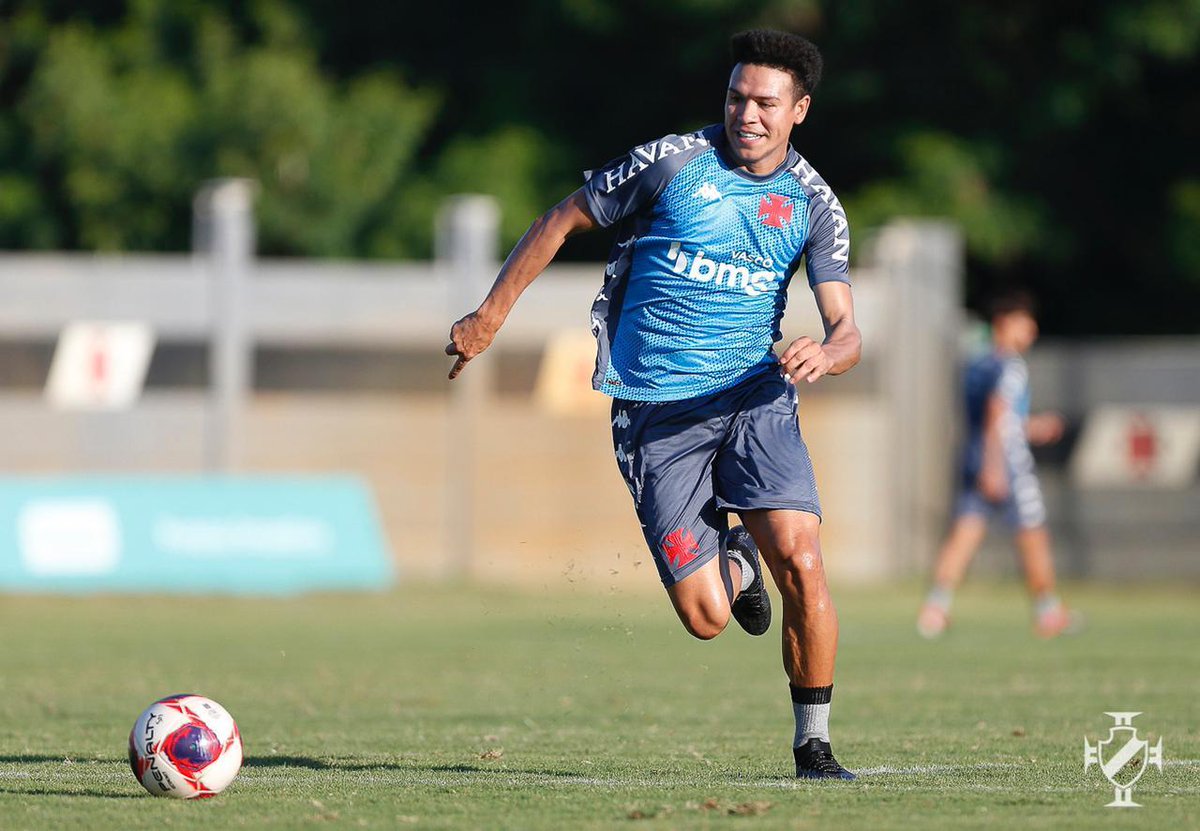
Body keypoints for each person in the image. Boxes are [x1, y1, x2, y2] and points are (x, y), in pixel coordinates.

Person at [446, 30, 860, 780]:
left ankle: (814, 744)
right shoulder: (672, 161)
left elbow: (846, 325)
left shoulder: (814, 204)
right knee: (705, 618)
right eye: (736, 96)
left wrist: (830, 351)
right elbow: (565, 216)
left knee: (802, 557)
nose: (747, 113)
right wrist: (489, 315)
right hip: (655, 411)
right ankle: (733, 560)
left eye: (766, 102)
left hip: (753, 398)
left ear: (799, 109)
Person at [917, 290, 1078, 639]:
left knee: (965, 532)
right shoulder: (1009, 364)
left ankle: (935, 608)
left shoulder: (977, 362)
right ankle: (1048, 611)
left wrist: (1032, 427)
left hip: (974, 454)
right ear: (1005, 322)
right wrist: (995, 466)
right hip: (1005, 462)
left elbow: (996, 419)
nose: (1031, 331)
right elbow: (995, 413)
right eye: (1026, 322)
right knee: (1033, 533)